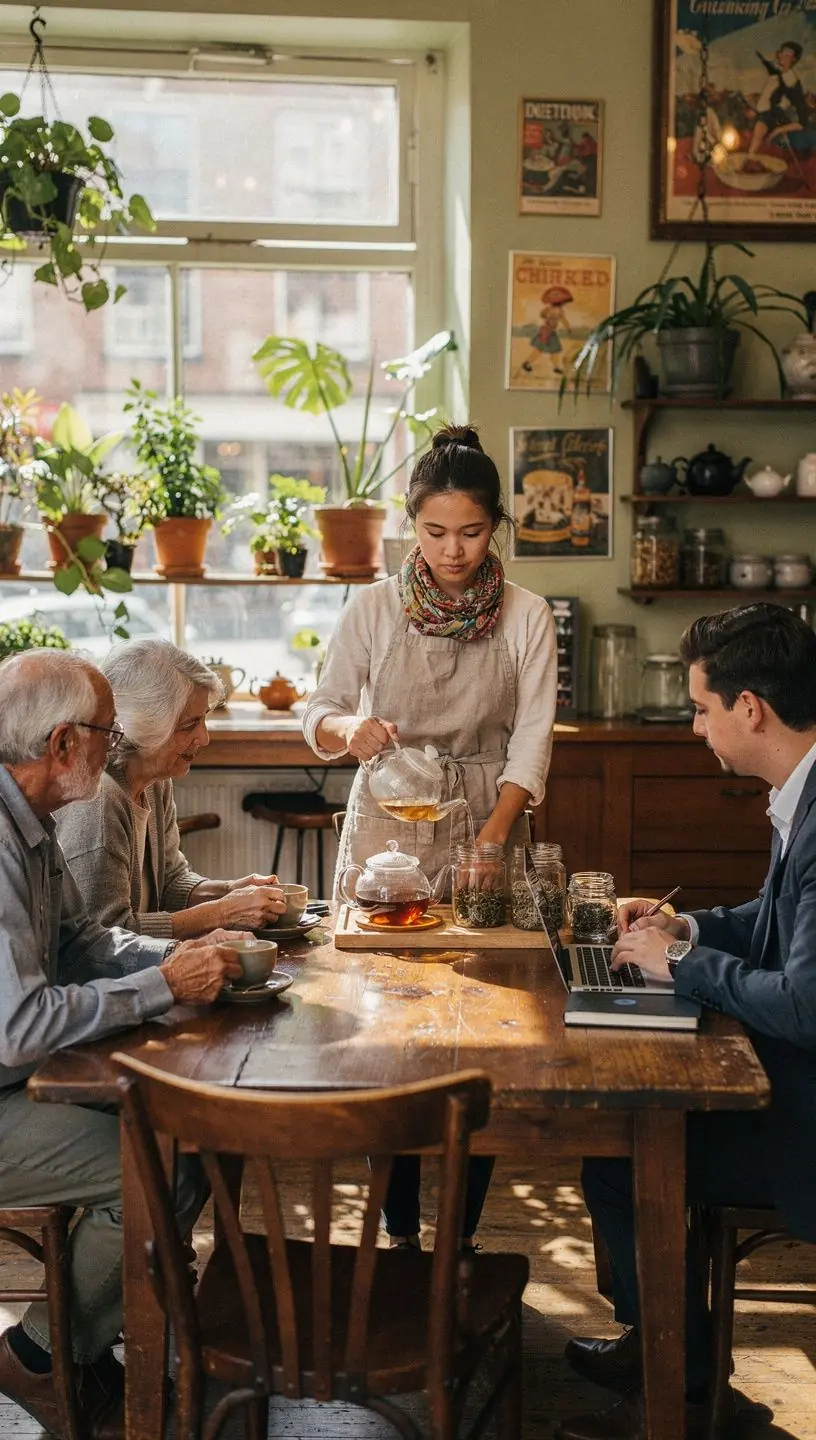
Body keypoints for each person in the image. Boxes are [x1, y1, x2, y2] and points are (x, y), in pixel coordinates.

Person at [557, 603, 816, 1440]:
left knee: (625, 1150)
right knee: (617, 1140)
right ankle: (667, 1350)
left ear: (751, 709)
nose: (695, 726)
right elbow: (775, 925)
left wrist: (685, 968)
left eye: (702, 708)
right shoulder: (801, 790)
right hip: (793, 1084)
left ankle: (680, 1386)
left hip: (807, 1122)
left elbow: (807, 1004)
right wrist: (687, 929)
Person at [303, 423, 557, 1251]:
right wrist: (352, 729)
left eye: (473, 532)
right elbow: (320, 708)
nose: (454, 551)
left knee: (486, 1028)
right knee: (387, 1026)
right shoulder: (372, 608)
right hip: (391, 821)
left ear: (497, 528)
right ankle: (400, 1230)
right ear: (412, 525)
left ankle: (460, 1232)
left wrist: (489, 842)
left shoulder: (525, 614)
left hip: (491, 811)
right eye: (437, 532)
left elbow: (533, 738)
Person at [0, 648, 246, 1439]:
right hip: (8, 1084)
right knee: (160, 1167)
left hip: (18, 1081)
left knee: (185, 1135)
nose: (119, 749)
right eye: (109, 732)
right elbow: (19, 1028)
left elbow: (83, 942)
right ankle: (39, 1358)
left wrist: (180, 963)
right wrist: (164, 986)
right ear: (64, 743)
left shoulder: (27, 821)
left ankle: (91, 1341)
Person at [56, 640, 286, 939]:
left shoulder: (156, 781)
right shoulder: (99, 799)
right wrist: (222, 912)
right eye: (191, 724)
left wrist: (230, 892)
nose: (203, 738)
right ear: (146, 723)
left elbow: (171, 881)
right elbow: (103, 938)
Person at [748, 41, 808, 156]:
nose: (781, 56)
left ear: (794, 59)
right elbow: (768, 65)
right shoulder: (777, 73)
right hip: (763, 116)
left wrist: (778, 130)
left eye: (787, 54)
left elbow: (802, 122)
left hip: (775, 121)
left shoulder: (793, 85)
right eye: (781, 53)